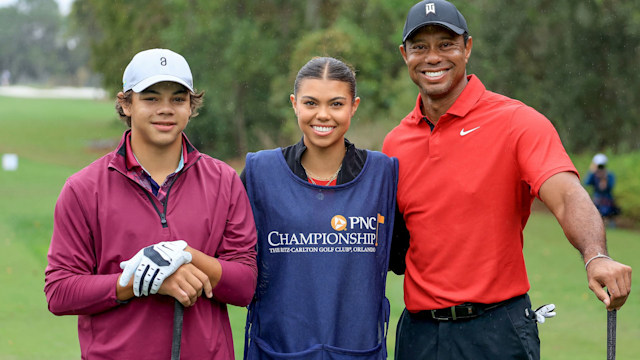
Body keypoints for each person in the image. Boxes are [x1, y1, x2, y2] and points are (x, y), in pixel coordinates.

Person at [382, 1, 633, 359]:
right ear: (404, 54)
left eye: (446, 44)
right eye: (420, 47)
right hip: (418, 335)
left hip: (496, 331)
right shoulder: (395, 142)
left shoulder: (517, 122)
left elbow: (565, 195)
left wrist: (596, 257)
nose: (433, 57)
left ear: (467, 48)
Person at [44, 48, 258, 359]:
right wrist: (138, 281)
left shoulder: (224, 181)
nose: (166, 109)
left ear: (191, 107)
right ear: (126, 103)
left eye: (177, 99)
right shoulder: (83, 189)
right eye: (151, 98)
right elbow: (60, 292)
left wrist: (184, 256)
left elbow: (245, 286)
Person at [241, 57, 398, 359]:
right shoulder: (260, 172)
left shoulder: (383, 175)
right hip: (277, 351)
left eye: (336, 104)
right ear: (294, 104)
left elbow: (403, 258)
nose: (323, 115)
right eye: (311, 103)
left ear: (354, 106)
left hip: (360, 351)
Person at [585, 153, 620, 226]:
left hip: (607, 200)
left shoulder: (609, 175)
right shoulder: (594, 174)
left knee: (607, 216)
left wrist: (604, 178)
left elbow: (610, 187)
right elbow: (586, 183)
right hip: (596, 199)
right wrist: (592, 172)